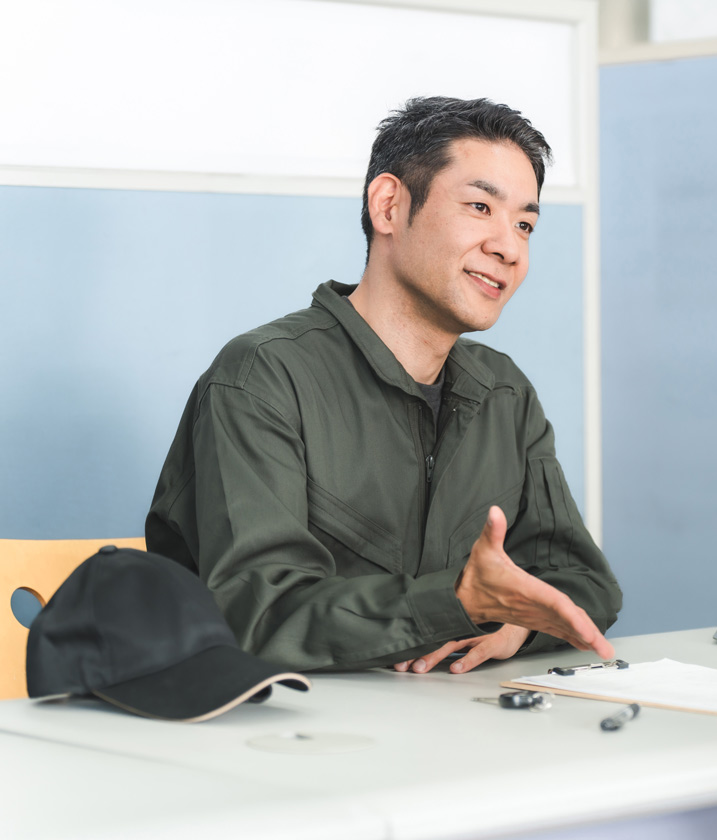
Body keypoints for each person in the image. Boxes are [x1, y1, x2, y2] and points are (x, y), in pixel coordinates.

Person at [147, 96, 622, 675]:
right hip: (282, 736)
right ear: (390, 205)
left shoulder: (505, 393)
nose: (510, 247)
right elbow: (256, 610)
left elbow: (585, 583)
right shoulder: (261, 377)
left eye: (525, 223)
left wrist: (517, 622)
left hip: (450, 730)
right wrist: (457, 604)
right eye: (480, 207)